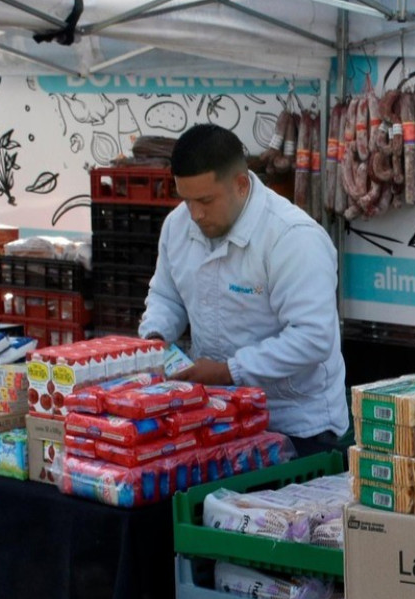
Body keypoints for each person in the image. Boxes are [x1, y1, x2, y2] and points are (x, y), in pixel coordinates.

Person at [139, 124, 349, 458]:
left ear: (240, 184)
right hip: (218, 414)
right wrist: (154, 338)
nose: (195, 214)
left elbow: (313, 337)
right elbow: (167, 296)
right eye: (186, 199)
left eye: (206, 200)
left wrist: (228, 371)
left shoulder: (292, 237)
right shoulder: (177, 225)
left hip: (296, 424)